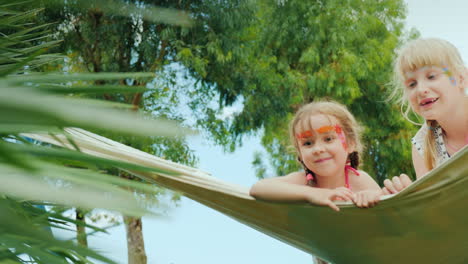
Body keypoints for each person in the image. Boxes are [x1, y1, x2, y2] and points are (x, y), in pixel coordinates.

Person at [249, 100, 383, 212]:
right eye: (308, 143)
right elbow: (258, 188)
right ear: (300, 154)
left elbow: (387, 213)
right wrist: (313, 194)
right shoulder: (305, 182)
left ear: (351, 144)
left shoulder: (359, 180)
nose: (317, 149)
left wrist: (374, 196)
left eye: (328, 139)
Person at [383, 38, 468, 194]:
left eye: (431, 76)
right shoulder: (423, 146)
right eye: (412, 84)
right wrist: (410, 196)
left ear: (461, 79)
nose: (421, 90)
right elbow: (438, 209)